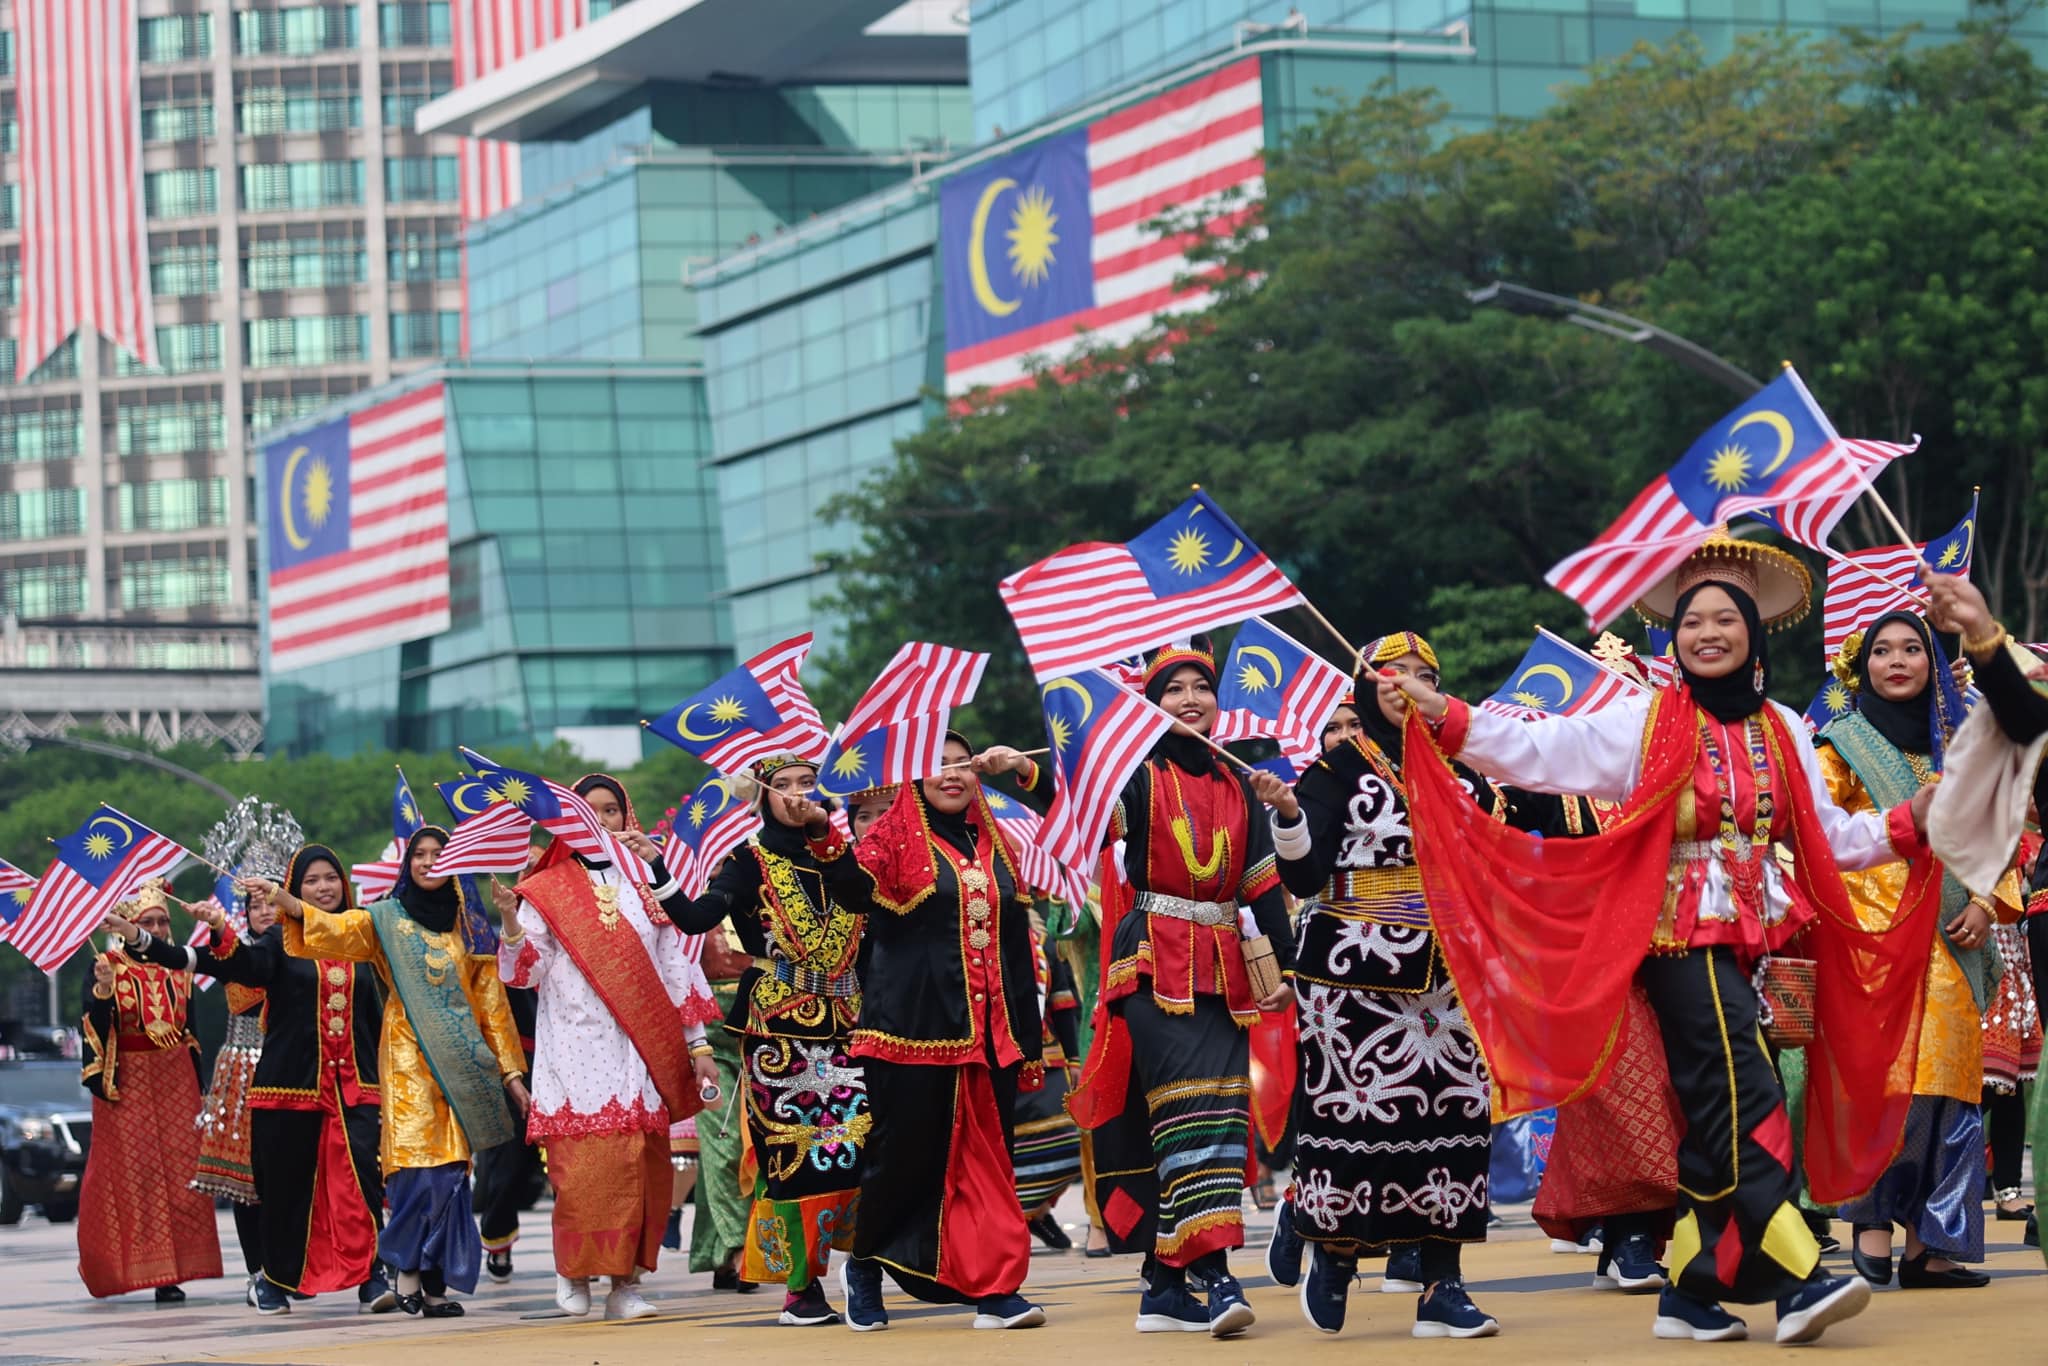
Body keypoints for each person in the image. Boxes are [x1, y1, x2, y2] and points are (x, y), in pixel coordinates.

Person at [1387, 533, 1940, 1346]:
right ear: (1674, 638)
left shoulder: (1784, 727)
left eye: (1725, 619)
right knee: (1745, 1090)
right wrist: (1452, 717)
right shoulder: (1645, 720)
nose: (1707, 633)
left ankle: (1690, 1292)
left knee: (1718, 1105)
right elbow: (1548, 752)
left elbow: (1825, 839)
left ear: (1753, 631)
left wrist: (1907, 823)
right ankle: (1795, 1278)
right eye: (1692, 622)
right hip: (1675, 939)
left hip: (1750, 941)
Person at [1258, 633, 1569, 1339]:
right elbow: (1303, 879)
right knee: (1356, 1127)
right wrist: (1286, 817)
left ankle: (1442, 1286)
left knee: (1454, 1127)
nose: (1408, 685)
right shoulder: (1337, 769)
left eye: (1424, 676)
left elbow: (1533, 823)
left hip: (1451, 976)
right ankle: (1333, 1249)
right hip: (1350, 978)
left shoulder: (1466, 769)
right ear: (1367, 687)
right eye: (1393, 674)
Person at [1067, 641, 1296, 1338]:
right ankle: (1217, 1273)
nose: (1191, 698)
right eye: (1174, 690)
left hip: (1225, 974)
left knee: (1221, 1120)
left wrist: (1290, 973)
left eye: (1201, 686)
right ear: (1152, 704)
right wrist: (1027, 774)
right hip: (1152, 968)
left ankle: (1164, 1287)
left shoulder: (1238, 783)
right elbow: (1084, 819)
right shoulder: (1138, 775)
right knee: (1192, 1115)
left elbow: (1264, 887)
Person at [816, 733, 1050, 1332]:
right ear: (912, 779)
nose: (952, 774)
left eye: (962, 763)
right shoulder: (891, 840)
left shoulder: (994, 842)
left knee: (989, 1163)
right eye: (936, 765)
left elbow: (1015, 938)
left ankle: (997, 1289)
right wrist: (822, 835)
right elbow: (851, 892)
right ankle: (864, 1265)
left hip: (990, 1033)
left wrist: (1026, 1030)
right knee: (905, 1162)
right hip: (914, 1032)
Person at [1816, 612, 2018, 1289]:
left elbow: (2000, 830)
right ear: (1861, 664)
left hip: (1955, 937)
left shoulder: (1962, 746)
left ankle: (1932, 1246)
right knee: (1883, 1082)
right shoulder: (1839, 745)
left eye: (1913, 649)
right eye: (1882, 650)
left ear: (1935, 664)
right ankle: (1871, 1228)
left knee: (1952, 1089)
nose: (1897, 660)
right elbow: (1818, 834)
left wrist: (1990, 903)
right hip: (1873, 937)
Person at [118, 845, 395, 1315]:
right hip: (290, 1089)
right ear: (295, 889)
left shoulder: (365, 937)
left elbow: (381, 1014)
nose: (324, 888)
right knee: (287, 1189)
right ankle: (275, 1280)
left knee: (360, 1183)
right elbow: (221, 963)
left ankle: (369, 1276)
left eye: (330, 878)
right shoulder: (280, 943)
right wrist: (149, 940)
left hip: (355, 1089)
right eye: (311, 881)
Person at [278, 825, 529, 1317]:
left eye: (440, 853)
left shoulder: (471, 925)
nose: (429, 861)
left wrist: (511, 1076)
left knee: (455, 1172)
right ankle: (405, 1269)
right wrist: (288, 904)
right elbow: (336, 930)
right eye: (421, 854)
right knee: (418, 1169)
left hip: (461, 1061)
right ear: (407, 862)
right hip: (408, 1056)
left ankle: (435, 1286)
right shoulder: (384, 919)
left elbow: (492, 1005)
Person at [497, 774, 720, 1320]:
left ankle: (626, 1285)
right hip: (574, 1048)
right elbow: (525, 973)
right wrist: (509, 923)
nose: (602, 822)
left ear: (627, 818)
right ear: (567, 824)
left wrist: (699, 1047)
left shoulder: (649, 884)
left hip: (642, 1049)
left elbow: (676, 970)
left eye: (611, 811)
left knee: (640, 1168)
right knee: (582, 1170)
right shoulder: (544, 890)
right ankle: (573, 1269)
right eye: (588, 813)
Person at [667, 754, 871, 1326]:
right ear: (762, 795)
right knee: (797, 1155)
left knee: (862, 1149)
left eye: (807, 783)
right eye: (782, 786)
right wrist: (658, 869)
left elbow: (863, 902)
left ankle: (864, 1273)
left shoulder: (843, 854)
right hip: (779, 1029)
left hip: (851, 1023)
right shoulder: (746, 860)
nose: (797, 794)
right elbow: (693, 916)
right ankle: (801, 1289)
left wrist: (827, 836)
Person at [77, 879, 224, 1302]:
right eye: (148, 922)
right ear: (127, 924)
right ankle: (137, 1268)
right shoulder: (105, 962)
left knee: (183, 1174)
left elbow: (193, 1031)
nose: (159, 928)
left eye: (162, 921)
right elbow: (93, 1024)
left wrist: (201, 1087)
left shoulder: (180, 966)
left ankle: (173, 1273)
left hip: (175, 1075)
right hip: (130, 1079)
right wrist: (104, 990)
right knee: (136, 1175)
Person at [1013, 904, 1085, 1248]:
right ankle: (1026, 1216)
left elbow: (1063, 1004)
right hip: (1001, 1060)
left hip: (1047, 1057)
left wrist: (1073, 1058)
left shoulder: (1043, 940)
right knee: (1008, 1149)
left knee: (1073, 1140)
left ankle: (1031, 1210)